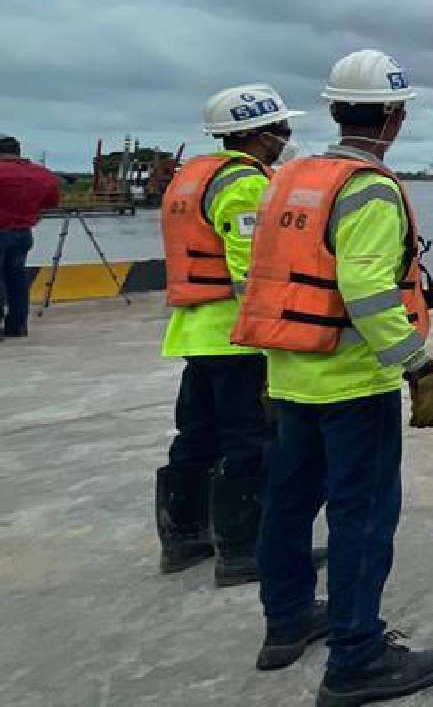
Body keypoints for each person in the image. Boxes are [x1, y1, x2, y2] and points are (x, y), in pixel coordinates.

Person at [230, 49, 433, 705]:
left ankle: (286, 621)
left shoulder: (287, 180)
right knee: (362, 517)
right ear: (395, 116)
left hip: (289, 373)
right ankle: (357, 655)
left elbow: (259, 276)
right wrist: (418, 366)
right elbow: (367, 290)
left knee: (290, 502)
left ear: (334, 110)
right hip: (354, 385)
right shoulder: (368, 189)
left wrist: (272, 359)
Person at [154, 85, 302, 585]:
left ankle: (183, 538)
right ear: (260, 134)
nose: (286, 139)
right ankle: (243, 551)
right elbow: (251, 270)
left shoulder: (192, 177)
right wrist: (273, 334)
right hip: (236, 337)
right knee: (249, 441)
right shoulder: (245, 185)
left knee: (196, 436)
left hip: (196, 332)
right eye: (281, 129)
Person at [0, 134, 61, 339]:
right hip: (23, 233)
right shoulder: (41, 174)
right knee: (17, 279)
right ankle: (17, 326)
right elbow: (51, 202)